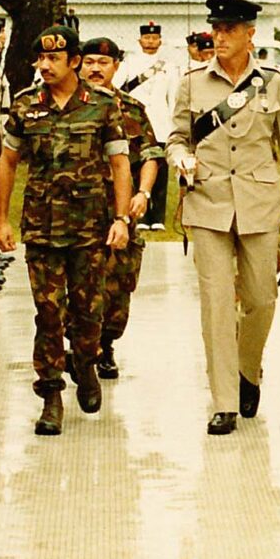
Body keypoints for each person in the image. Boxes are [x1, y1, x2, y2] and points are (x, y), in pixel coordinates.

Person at [167, 0, 280, 435]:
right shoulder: (192, 83)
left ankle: (248, 368)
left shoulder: (273, 83)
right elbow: (176, 137)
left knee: (263, 299)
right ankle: (224, 401)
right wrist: (180, 159)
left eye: (229, 30)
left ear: (250, 34)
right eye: (216, 29)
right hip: (208, 203)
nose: (219, 37)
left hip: (259, 205)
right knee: (217, 306)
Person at [0, 25, 132, 436]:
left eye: (54, 58)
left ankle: (86, 362)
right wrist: (1, 219)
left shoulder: (102, 106)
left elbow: (120, 164)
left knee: (89, 311)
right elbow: (8, 162)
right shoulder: (25, 106)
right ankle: (50, 395)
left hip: (89, 228)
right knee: (48, 313)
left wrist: (121, 219)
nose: (45, 65)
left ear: (74, 62)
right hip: (42, 228)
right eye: (41, 58)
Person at [78, 37, 164, 379]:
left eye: (103, 63)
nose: (95, 69)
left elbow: (150, 154)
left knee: (118, 281)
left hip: (119, 207)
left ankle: (106, 344)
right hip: (77, 210)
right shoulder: (69, 105)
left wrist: (143, 192)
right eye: (89, 62)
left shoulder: (131, 108)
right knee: (78, 281)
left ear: (116, 66)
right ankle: (83, 346)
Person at [116, 21, 174, 230]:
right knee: (136, 169)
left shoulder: (169, 66)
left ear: (160, 41)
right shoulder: (128, 64)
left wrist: (173, 125)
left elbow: (173, 98)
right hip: (136, 124)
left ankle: (157, 217)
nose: (150, 41)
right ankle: (139, 216)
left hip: (160, 123)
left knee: (161, 171)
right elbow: (117, 89)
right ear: (140, 40)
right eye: (147, 38)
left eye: (154, 38)